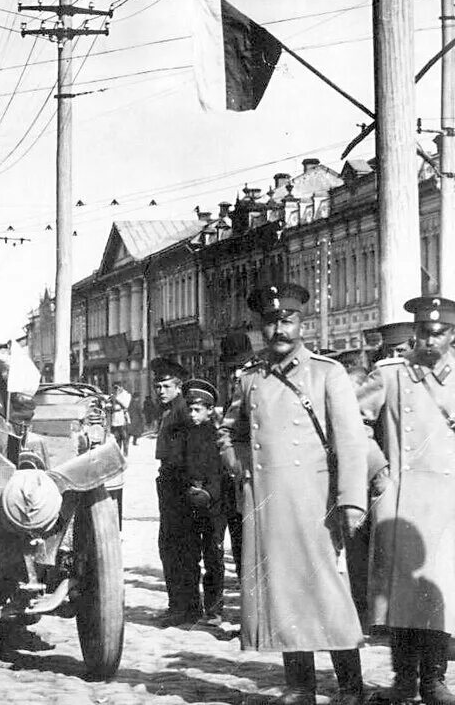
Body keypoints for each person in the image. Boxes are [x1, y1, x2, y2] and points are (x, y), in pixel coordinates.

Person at [219, 283, 366, 705]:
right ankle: (300, 685)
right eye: (271, 322)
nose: (279, 329)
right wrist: (239, 464)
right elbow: (230, 432)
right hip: (268, 503)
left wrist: (351, 500)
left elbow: (351, 441)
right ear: (259, 327)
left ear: (301, 321)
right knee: (283, 591)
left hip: (314, 502)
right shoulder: (250, 378)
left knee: (326, 592)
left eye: (287, 320)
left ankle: (351, 687)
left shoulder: (327, 373)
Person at [357, 297, 455, 705]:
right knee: (401, 597)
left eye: (441, 332)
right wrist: (377, 470)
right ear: (414, 332)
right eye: (425, 332)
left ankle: (434, 678)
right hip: (402, 495)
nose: (431, 340)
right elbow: (353, 423)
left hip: (449, 499)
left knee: (440, 591)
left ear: (453, 335)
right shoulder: (391, 374)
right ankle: (403, 679)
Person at [150, 357, 197, 627]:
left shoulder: (181, 412)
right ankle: (179, 605)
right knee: (171, 546)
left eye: (166, 386)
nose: (161, 391)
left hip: (178, 484)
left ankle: (184, 607)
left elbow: (188, 452)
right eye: (158, 386)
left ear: (179, 388)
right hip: (169, 481)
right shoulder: (169, 411)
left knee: (179, 547)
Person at [181, 379, 226, 627]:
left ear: (210, 410)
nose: (192, 413)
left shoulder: (216, 435)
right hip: (190, 502)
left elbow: (219, 472)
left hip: (212, 506)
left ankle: (214, 610)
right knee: (190, 556)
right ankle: (192, 608)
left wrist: (209, 494)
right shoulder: (185, 434)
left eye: (197, 409)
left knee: (213, 558)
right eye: (189, 409)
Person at [218, 331, 254, 578]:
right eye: (231, 368)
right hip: (237, 476)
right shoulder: (235, 387)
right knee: (239, 535)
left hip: (256, 474)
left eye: (240, 367)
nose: (235, 373)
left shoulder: (257, 384)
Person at [108, 383, 132, 456]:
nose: (116, 390)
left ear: (121, 387)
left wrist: (117, 399)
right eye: (114, 388)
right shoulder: (113, 395)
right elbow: (109, 405)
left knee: (124, 436)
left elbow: (126, 405)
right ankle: (118, 453)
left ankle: (125, 453)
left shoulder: (126, 395)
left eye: (117, 388)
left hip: (122, 417)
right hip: (115, 418)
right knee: (117, 437)